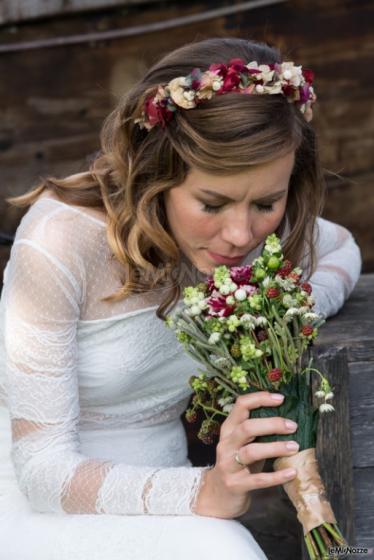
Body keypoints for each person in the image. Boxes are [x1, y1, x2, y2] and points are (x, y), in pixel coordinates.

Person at [0, 37, 361, 560]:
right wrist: (205, 490)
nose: (240, 234)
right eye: (211, 203)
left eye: (266, 201)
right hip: (36, 501)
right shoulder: (59, 240)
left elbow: (343, 248)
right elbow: (42, 472)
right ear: (157, 174)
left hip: (168, 486)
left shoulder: (260, 233)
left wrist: (284, 312)